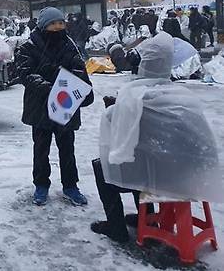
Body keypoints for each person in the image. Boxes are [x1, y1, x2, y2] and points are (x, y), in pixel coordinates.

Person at [91, 31, 222, 242]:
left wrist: (114, 107)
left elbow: (117, 129)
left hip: (164, 177)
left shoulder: (137, 94)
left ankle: (116, 227)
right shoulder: (179, 95)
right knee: (142, 156)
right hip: (191, 173)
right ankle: (148, 218)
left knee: (109, 164)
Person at [15, 7, 94, 206]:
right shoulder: (29, 46)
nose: (57, 27)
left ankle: (70, 186)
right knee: (41, 149)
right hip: (40, 106)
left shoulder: (69, 44)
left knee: (67, 149)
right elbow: (26, 74)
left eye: (60, 23)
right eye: (53, 23)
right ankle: (41, 185)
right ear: (43, 25)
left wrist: (66, 85)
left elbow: (79, 69)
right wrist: (50, 88)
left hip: (65, 106)